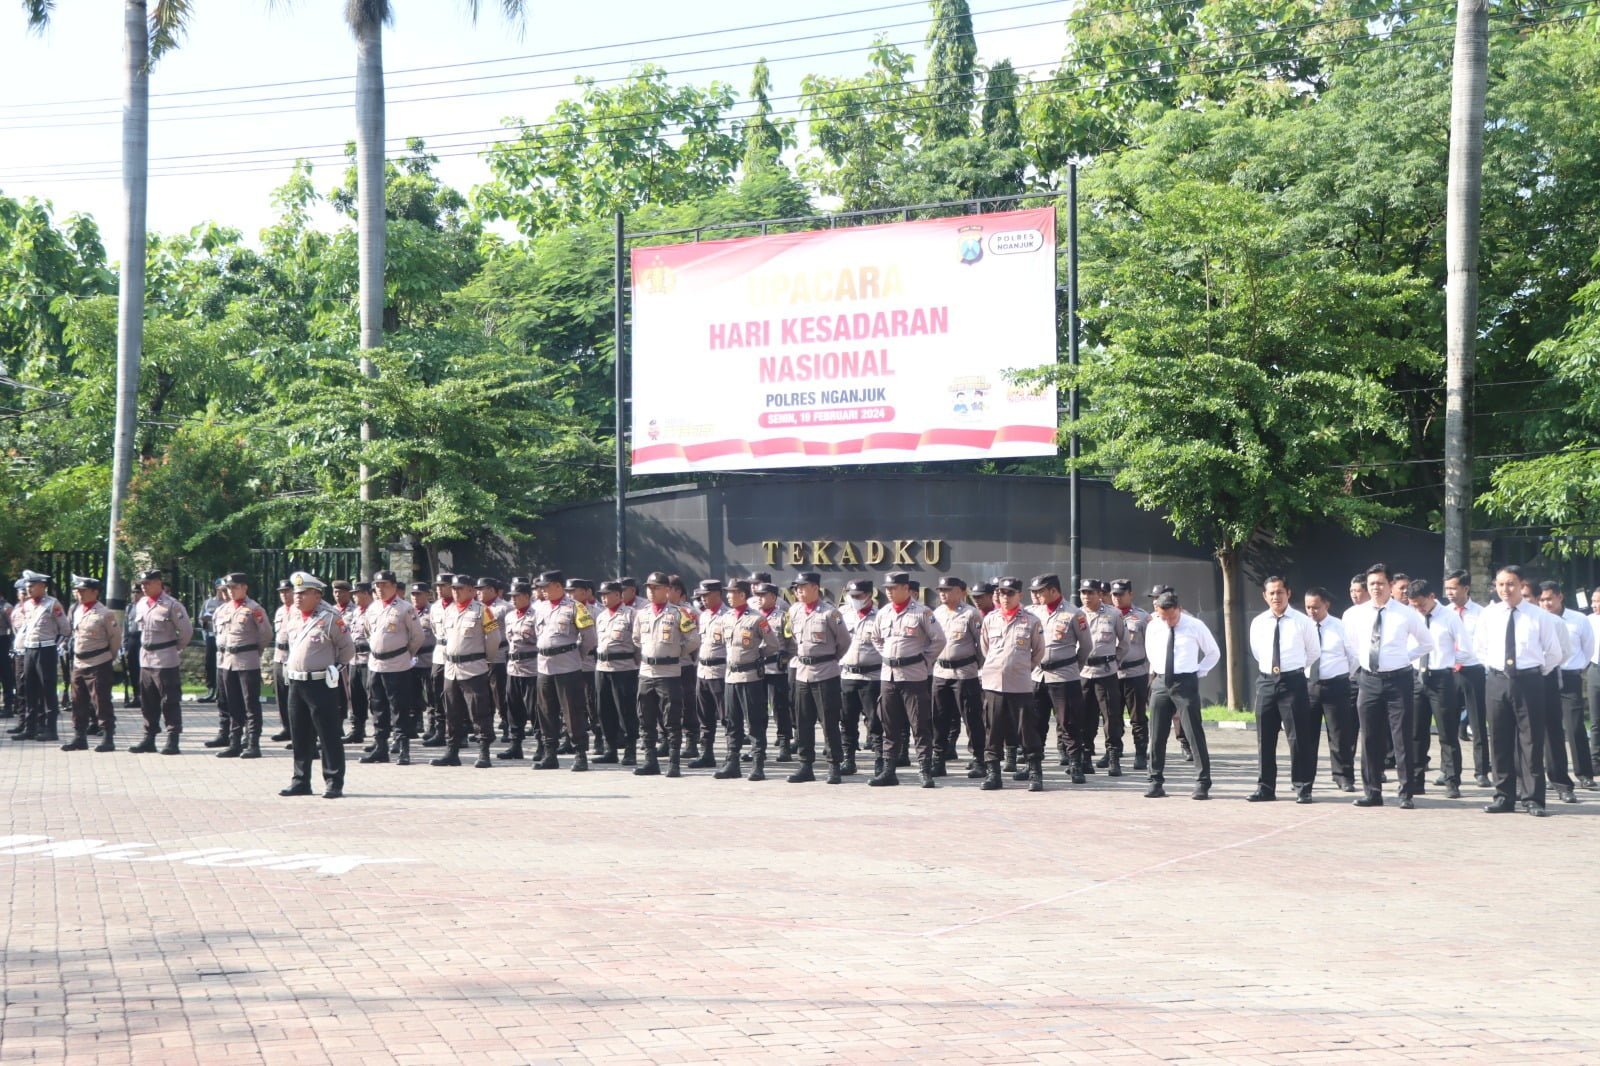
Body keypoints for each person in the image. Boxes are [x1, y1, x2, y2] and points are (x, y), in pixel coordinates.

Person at [1473, 566, 1564, 815]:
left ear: (1521, 585)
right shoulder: (1489, 615)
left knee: (1531, 741)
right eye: (1501, 584)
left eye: (1511, 584)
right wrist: (1496, 669)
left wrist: (1535, 672)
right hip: (1497, 680)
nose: (1505, 589)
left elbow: (1554, 653)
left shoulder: (1538, 616)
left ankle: (1533, 797)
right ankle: (1503, 795)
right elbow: (1479, 648)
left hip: (1529, 681)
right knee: (1500, 739)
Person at [1341, 563, 1432, 808]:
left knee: (1402, 736)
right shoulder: (1355, 614)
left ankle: (1406, 792)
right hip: (1369, 680)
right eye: (1371, 584)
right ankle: (1372, 791)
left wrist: (1403, 657)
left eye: (1381, 583)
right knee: (1369, 736)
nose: (1376, 588)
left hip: (1398, 680)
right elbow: (1350, 644)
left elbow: (1426, 643)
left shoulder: (1406, 614)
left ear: (1391, 586)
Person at [277, 572, 356, 799]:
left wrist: (336, 669)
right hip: (296, 682)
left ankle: (333, 781)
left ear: (316, 594)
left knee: (328, 734)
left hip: (321, 683)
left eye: (303, 593)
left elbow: (347, 649)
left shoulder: (330, 617)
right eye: (296, 593)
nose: (297, 597)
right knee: (299, 734)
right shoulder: (293, 614)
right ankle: (300, 781)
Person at [1247, 576, 1322, 803]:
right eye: (1271, 593)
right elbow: (1257, 652)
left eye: (1279, 592)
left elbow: (1313, 652)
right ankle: (1265, 787)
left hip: (1293, 683)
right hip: (1266, 681)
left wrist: (1292, 670)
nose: (1275, 597)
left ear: (1288, 593)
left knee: (1298, 736)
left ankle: (1302, 787)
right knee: (1265, 737)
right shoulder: (1258, 622)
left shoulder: (1302, 621)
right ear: (1264, 596)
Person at [869, 570, 947, 788]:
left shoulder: (922, 612)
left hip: (914, 676)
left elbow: (939, 640)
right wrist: (887, 655)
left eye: (894, 588)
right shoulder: (884, 613)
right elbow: (875, 637)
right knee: (889, 725)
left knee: (920, 724)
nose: (890, 592)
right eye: (887, 589)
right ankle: (889, 770)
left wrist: (924, 660)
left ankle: (924, 770)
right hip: (888, 676)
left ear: (905, 588)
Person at [1142, 590, 1221, 799]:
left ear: (1179, 609)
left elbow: (1214, 652)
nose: (1168, 621)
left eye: (1172, 616)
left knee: (1193, 732)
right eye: (1163, 617)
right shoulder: (1153, 626)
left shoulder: (1195, 625)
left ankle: (1203, 782)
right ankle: (1155, 780)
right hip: (1160, 680)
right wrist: (1157, 671)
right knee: (1157, 733)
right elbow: (1149, 650)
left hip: (1185, 682)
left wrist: (1199, 670)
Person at [977, 577, 1046, 790]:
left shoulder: (1031, 621)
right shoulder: (991, 619)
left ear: (1019, 595)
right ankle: (993, 775)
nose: (1005, 597)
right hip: (994, 684)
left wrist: (1019, 668)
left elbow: (1038, 652)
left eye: (1010, 593)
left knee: (1027, 730)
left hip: (1020, 685)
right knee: (993, 730)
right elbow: (985, 648)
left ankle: (1035, 773)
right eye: (1002, 593)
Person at [785, 570, 851, 785]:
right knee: (803, 722)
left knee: (829, 722)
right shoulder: (795, 611)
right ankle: (806, 765)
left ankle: (834, 766)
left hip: (825, 673)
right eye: (796, 588)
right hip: (802, 673)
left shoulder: (830, 614)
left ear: (815, 587)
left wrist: (829, 659)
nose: (799, 591)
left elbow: (844, 643)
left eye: (803, 587)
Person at [1404, 580, 1466, 799]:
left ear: (1431, 596)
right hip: (1415, 676)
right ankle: (1416, 780)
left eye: (1421, 604)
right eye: (1414, 605)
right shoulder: (1410, 616)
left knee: (1447, 733)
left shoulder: (1449, 617)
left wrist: (1448, 663)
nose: (1419, 609)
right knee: (1415, 733)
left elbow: (1464, 648)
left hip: (1441, 678)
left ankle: (1451, 780)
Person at [632, 571, 697, 777]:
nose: (651, 592)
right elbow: (636, 639)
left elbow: (694, 640)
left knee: (672, 718)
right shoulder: (642, 614)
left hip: (669, 672)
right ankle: (650, 761)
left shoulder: (679, 613)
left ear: (667, 590)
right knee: (646, 716)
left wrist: (677, 653)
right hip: (646, 671)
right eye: (649, 588)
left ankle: (674, 762)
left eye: (656, 588)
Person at [434, 574, 502, 768]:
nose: (455, 592)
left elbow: (494, 639)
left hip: (473, 668)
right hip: (451, 669)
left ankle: (484, 752)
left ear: (472, 591)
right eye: (454, 588)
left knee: (479, 710)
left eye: (460, 588)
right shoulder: (449, 611)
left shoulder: (483, 611)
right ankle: (452, 751)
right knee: (452, 711)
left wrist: (485, 659)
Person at [1026, 574, 1090, 782]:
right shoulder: (1032, 613)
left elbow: (1086, 646)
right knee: (1035, 722)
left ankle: (1075, 764)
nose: (1036, 595)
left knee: (1069, 722)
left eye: (1040, 591)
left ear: (1054, 590)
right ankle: (1033, 765)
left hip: (1064, 675)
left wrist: (1073, 666)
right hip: (1038, 675)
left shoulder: (1074, 613)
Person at [716, 578, 781, 780]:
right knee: (732, 722)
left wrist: (757, 656)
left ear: (742, 595)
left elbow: (772, 645)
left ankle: (758, 764)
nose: (728, 596)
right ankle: (732, 762)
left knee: (755, 722)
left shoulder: (756, 619)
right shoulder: (726, 618)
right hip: (730, 676)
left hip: (750, 676)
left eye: (732, 592)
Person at [533, 571, 597, 771]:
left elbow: (590, 638)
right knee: (545, 710)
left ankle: (580, 754)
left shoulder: (575, 607)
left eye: (546, 586)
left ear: (558, 586)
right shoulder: (540, 608)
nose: (542, 590)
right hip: (544, 665)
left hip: (567, 665)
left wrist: (577, 655)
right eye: (541, 587)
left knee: (572, 710)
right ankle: (550, 753)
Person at [361, 569, 425, 766]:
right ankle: (380, 747)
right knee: (377, 707)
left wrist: (406, 655)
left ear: (394, 587)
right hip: (375, 663)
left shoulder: (405, 608)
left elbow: (417, 637)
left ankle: (403, 748)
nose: (380, 589)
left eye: (385, 585)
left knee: (399, 707)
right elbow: (367, 632)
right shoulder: (372, 608)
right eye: (377, 586)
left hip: (397, 664)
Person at [1537, 581, 1592, 797]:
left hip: (1569, 676)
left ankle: (1584, 773)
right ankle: (1552, 773)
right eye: (1542, 600)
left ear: (1560, 597)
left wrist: (1576, 667)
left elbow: (1588, 649)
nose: (1546, 603)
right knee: (1549, 729)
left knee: (1575, 725)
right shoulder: (1539, 620)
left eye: (1549, 598)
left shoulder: (1578, 619)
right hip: (1545, 676)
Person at [129, 570, 193, 755]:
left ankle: (173, 739)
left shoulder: (172, 605)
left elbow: (186, 632)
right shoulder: (141, 603)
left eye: (147, 583)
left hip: (165, 658)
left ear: (158, 583)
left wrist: (174, 648)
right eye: (142, 583)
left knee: (169, 700)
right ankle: (149, 738)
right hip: (146, 658)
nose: (143, 586)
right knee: (147, 701)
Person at [212, 572, 273, 760]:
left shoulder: (254, 609)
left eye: (234, 587)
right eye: (228, 588)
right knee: (232, 703)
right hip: (226, 661)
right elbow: (216, 631)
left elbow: (266, 634)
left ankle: (253, 743)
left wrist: (254, 651)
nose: (230, 591)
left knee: (250, 704)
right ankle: (234, 742)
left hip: (246, 661)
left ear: (244, 588)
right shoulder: (223, 609)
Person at [1303, 587, 1359, 792]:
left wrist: (1343, 675)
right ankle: (1304, 778)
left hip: (1336, 685)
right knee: (1306, 735)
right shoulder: (1302, 626)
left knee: (1339, 734)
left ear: (1326, 604)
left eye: (1316, 607)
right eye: (1308, 607)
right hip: (1309, 685)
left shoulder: (1340, 627)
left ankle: (1343, 777)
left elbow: (1354, 657)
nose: (1311, 611)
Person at [933, 576, 985, 779]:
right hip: (940, 672)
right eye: (940, 590)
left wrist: (976, 668)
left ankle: (980, 760)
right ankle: (938, 759)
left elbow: (982, 646)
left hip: (964, 673)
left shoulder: (971, 614)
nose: (943, 593)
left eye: (948, 589)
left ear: (961, 592)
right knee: (939, 718)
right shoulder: (936, 613)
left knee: (972, 718)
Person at [62, 576, 121, 752]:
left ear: (95, 592)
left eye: (83, 591)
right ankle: (79, 736)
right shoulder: (76, 610)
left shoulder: (105, 613)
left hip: (99, 661)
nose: (79, 594)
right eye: (77, 591)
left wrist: (109, 657)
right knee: (78, 700)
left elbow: (115, 639)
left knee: (101, 700)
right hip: (79, 662)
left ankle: (107, 737)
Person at [1443, 569, 1490, 788]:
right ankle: (1448, 770)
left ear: (1466, 588)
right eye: (1447, 588)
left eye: (1453, 588)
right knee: (1447, 723)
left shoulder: (1481, 613)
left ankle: (1482, 771)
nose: (1449, 593)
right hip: (1449, 672)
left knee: (1478, 722)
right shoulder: (1443, 613)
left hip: (1473, 670)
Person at [1078, 579, 1130, 776]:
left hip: (1106, 672)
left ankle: (1114, 757)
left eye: (1090, 593)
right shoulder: (1076, 615)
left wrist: (1114, 661)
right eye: (1083, 593)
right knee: (1084, 717)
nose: (1087, 597)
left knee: (1111, 717)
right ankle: (1085, 758)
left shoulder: (1113, 614)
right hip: (1083, 673)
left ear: (1099, 594)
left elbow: (1124, 643)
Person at [9, 570, 68, 741]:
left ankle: (51, 729)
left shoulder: (52, 604)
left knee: (47, 689)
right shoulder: (27, 605)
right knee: (29, 688)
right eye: (27, 586)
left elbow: (65, 630)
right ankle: (30, 727)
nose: (29, 589)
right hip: (29, 649)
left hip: (46, 649)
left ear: (43, 586)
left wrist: (53, 647)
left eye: (32, 586)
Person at [593, 580, 640, 765]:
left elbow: (638, 645)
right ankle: (610, 749)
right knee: (604, 710)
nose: (603, 598)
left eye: (607, 594)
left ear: (618, 595)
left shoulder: (631, 614)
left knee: (626, 710)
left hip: (624, 668)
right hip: (602, 667)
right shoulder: (601, 616)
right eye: (602, 595)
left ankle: (630, 750)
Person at [838, 578, 882, 776]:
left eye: (858, 596)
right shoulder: (843, 614)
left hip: (872, 677)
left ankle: (881, 759)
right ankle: (848, 759)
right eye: (851, 596)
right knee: (847, 720)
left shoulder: (880, 616)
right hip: (847, 674)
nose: (854, 600)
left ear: (869, 595)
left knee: (875, 721)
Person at [1110, 579, 1152, 770]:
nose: (1117, 598)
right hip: (1112, 673)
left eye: (1121, 594)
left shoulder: (1142, 618)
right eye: (1114, 594)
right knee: (1112, 716)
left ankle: (1141, 753)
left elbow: (1151, 647)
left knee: (1138, 717)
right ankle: (1114, 753)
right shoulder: (1106, 616)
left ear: (1130, 594)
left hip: (1136, 673)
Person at [688, 579, 730, 770]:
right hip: (703, 671)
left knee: (727, 716)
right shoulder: (703, 616)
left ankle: (731, 755)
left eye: (706, 595)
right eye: (701, 596)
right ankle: (707, 754)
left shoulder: (728, 616)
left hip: (720, 671)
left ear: (717, 594)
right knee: (704, 718)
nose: (703, 599)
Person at [500, 578, 540, 763]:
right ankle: (515, 745)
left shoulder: (537, 615)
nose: (513, 600)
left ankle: (542, 744)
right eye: (511, 596)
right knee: (513, 708)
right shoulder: (509, 616)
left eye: (517, 596)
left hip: (532, 667)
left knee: (535, 709)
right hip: (513, 668)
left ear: (527, 596)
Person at [755, 581, 794, 762]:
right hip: (756, 668)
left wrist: (786, 657)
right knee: (757, 708)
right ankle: (758, 747)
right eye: (758, 596)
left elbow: (792, 643)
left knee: (780, 707)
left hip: (777, 669)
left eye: (763, 595)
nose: (760, 599)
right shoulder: (753, 617)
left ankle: (784, 743)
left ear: (773, 597)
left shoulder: (783, 617)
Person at [476, 576, 513, 752]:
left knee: (500, 692)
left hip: (499, 654)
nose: (478, 593)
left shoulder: (505, 608)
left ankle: (506, 725)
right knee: (484, 694)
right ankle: (486, 728)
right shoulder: (477, 608)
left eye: (481, 589)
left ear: (491, 590)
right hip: (480, 656)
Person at [421, 573, 454, 748]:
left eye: (444, 586)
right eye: (438, 586)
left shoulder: (461, 607)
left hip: (457, 653)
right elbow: (434, 630)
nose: (440, 589)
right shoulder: (435, 608)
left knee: (456, 695)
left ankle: (459, 731)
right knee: (436, 693)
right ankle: (440, 731)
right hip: (439, 653)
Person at [340, 581, 374, 745]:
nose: (354, 596)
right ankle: (357, 729)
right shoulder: (355, 613)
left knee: (373, 697)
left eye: (357, 593)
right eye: (353, 593)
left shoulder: (374, 611)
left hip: (369, 658)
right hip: (354, 658)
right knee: (355, 696)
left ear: (367, 593)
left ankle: (380, 732)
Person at [407, 581, 437, 756]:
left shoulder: (433, 612)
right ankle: (414, 724)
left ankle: (432, 726)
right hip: (411, 659)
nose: (416, 597)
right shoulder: (408, 611)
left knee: (431, 694)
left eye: (419, 594)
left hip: (428, 658)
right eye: (413, 595)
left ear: (427, 595)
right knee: (411, 693)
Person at [269, 578, 296, 744]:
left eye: (287, 591)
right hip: (279, 655)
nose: (284, 594)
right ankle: (286, 727)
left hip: (293, 656)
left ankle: (295, 730)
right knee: (281, 694)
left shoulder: (298, 610)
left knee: (294, 695)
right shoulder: (280, 611)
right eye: (282, 592)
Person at [198, 578, 224, 706]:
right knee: (210, 663)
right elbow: (200, 618)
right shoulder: (208, 602)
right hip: (211, 635)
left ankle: (221, 690)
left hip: (223, 637)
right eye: (219, 589)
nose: (221, 592)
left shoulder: (227, 603)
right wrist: (203, 620)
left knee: (222, 664)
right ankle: (211, 688)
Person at [0, 584, 15, 720]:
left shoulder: (6, 607)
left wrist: (12, 646)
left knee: (5, 675)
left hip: (2, 641)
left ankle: (8, 706)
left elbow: (14, 628)